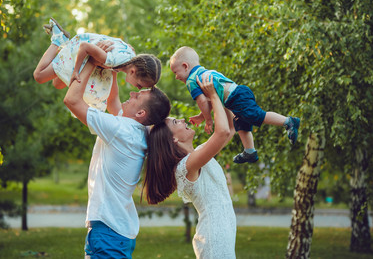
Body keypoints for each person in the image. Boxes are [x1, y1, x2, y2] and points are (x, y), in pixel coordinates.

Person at [63, 57, 171, 258]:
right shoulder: (137, 131)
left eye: (137, 96)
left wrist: (90, 63)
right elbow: (113, 101)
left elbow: (71, 100)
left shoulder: (121, 130)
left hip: (108, 232)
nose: (131, 93)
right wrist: (113, 66)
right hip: (114, 230)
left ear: (140, 112)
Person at [143, 74, 237, 258]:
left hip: (222, 232)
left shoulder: (198, 156)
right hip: (214, 236)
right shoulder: (185, 166)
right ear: (173, 138)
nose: (184, 120)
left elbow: (231, 128)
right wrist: (213, 97)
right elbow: (223, 131)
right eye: (177, 122)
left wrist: (215, 97)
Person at [169, 46, 300, 164]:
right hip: (238, 95)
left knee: (257, 115)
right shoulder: (204, 73)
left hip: (236, 97)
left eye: (176, 72)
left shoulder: (191, 81)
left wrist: (208, 120)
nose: (176, 77)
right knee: (241, 124)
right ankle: (250, 151)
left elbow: (202, 101)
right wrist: (201, 116)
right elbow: (211, 100)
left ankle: (288, 121)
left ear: (185, 66)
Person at [34, 17, 161, 112]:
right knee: (39, 76)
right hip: (78, 50)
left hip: (86, 51)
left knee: (58, 84)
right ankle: (58, 40)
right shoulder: (113, 61)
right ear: (133, 71)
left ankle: (62, 47)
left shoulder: (130, 57)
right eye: (139, 85)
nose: (138, 88)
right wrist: (76, 71)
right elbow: (84, 47)